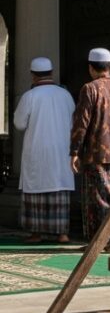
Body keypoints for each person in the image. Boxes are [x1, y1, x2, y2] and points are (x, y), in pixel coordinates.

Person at [13, 57, 75, 243]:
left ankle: (36, 233)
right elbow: (73, 121)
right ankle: (62, 233)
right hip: (61, 151)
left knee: (36, 190)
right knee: (59, 189)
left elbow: (19, 124)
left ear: (33, 76)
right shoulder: (65, 95)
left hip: (37, 152)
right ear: (51, 73)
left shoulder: (29, 96)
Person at [70, 48, 110, 243]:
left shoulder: (89, 89)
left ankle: (99, 243)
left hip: (96, 153)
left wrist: (74, 151)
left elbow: (81, 123)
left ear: (91, 68)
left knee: (97, 200)